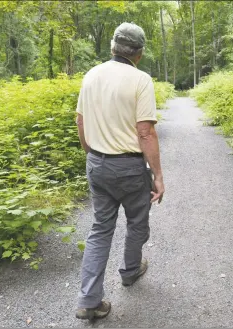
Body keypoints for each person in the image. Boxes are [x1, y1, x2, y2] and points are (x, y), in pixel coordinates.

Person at [74, 22, 165, 320]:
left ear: (112, 47)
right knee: (137, 221)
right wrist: (158, 176)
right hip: (129, 167)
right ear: (138, 53)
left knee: (100, 229)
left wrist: (94, 156)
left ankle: (89, 301)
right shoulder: (140, 80)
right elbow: (145, 133)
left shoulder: (91, 76)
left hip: (97, 163)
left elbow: (80, 121)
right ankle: (129, 270)